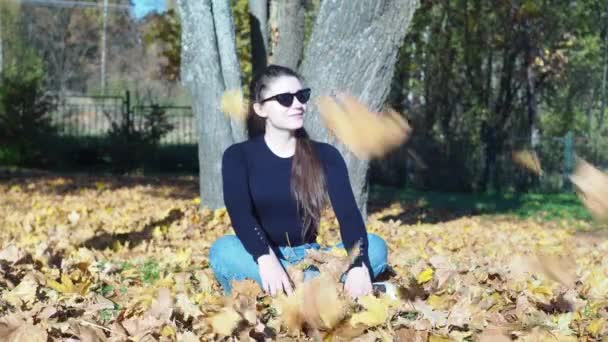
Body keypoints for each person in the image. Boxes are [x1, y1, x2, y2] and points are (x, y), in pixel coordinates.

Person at [209, 64, 389, 299]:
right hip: (263, 256)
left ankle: (293, 292)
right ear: (260, 109)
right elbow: (241, 215)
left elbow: (348, 215)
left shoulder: (326, 155)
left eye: (301, 96)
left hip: (312, 258)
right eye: (285, 98)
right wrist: (265, 258)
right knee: (222, 251)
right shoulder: (238, 156)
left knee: (375, 246)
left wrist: (357, 264)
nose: (298, 104)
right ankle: (326, 292)